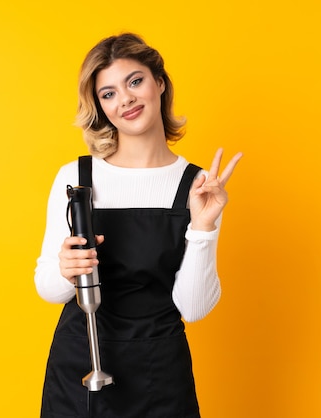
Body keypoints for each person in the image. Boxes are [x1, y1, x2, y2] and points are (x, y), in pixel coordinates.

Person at [34, 33, 242, 418]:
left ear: (159, 83)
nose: (125, 99)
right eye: (108, 93)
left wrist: (203, 227)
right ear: (99, 106)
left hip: (158, 372)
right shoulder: (77, 177)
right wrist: (66, 270)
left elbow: (192, 309)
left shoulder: (200, 187)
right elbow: (48, 288)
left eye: (134, 81)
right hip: (80, 363)